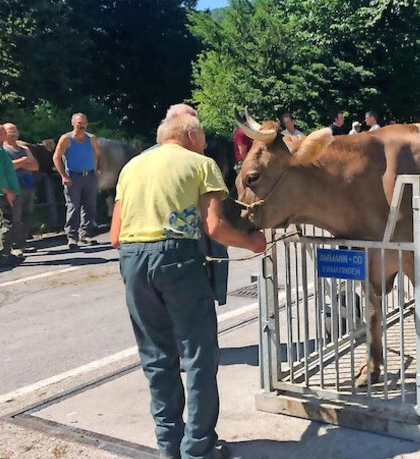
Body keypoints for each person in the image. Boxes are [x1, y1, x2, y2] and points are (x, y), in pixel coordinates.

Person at [110, 114, 266, 459]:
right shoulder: (201, 164)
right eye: (204, 136)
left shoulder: (132, 166)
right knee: (198, 355)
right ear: (191, 135)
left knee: (157, 358)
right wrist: (252, 243)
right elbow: (214, 226)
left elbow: (114, 235)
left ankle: (169, 447)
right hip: (177, 258)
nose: (207, 142)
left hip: (133, 261)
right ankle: (198, 448)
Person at [52, 113, 103, 249]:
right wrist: (63, 175)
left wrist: (99, 169)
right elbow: (56, 157)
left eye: (84, 123)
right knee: (73, 207)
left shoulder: (91, 138)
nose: (82, 126)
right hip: (73, 176)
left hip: (89, 175)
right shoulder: (66, 139)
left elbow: (99, 154)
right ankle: (71, 237)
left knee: (89, 206)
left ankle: (85, 234)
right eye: (79, 123)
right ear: (73, 123)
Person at [3, 123, 39, 255]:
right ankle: (14, 245)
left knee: (27, 215)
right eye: (10, 131)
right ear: (4, 133)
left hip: (27, 186)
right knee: (15, 216)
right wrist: (24, 161)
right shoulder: (3, 150)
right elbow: (9, 167)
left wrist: (21, 163)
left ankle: (23, 243)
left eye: (15, 131)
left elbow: (35, 166)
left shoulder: (24, 148)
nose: (13, 134)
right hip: (13, 187)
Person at [0, 123, 21, 266]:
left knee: (5, 221)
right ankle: (2, 255)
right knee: (7, 222)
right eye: (4, 132)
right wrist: (7, 191)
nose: (7, 134)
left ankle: (5, 252)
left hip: (2, 192)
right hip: (0, 193)